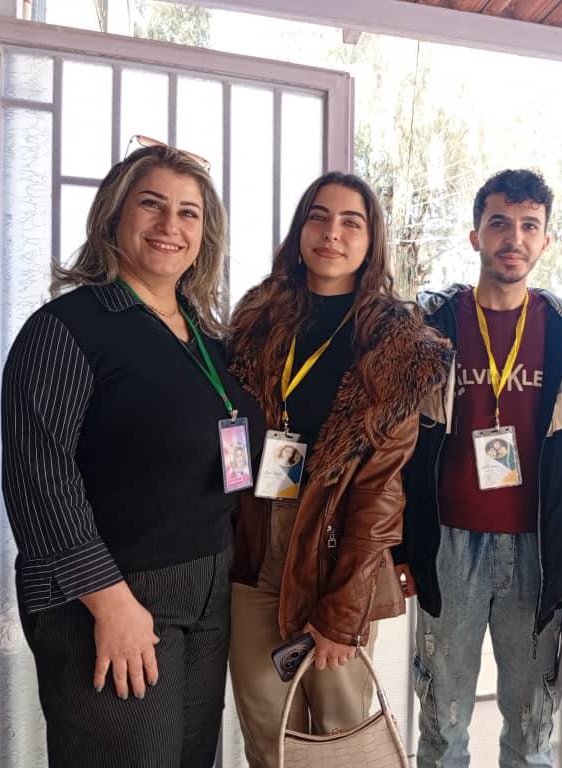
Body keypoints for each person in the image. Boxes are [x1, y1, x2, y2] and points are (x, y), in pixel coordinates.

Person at [1, 139, 265, 767]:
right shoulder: (67, 328)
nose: (170, 224)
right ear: (113, 217)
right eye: (152, 205)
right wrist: (110, 602)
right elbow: (40, 480)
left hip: (207, 589)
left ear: (205, 235)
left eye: (188, 212)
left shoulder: (208, 338)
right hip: (113, 591)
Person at [401, 169, 562, 767]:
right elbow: (396, 447)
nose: (514, 238)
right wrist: (398, 546)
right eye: (499, 222)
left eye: (530, 226)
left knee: (531, 729)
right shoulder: (430, 327)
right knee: (441, 724)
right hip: (447, 547)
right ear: (475, 234)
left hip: (542, 552)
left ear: (546, 241)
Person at [226, 171, 450, 768]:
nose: (332, 233)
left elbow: (381, 491)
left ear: (371, 240)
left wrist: (344, 609)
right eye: (318, 217)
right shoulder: (256, 320)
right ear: (300, 229)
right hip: (256, 541)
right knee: (268, 737)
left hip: (336, 549)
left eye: (352, 222)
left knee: (340, 738)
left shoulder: (395, 342)